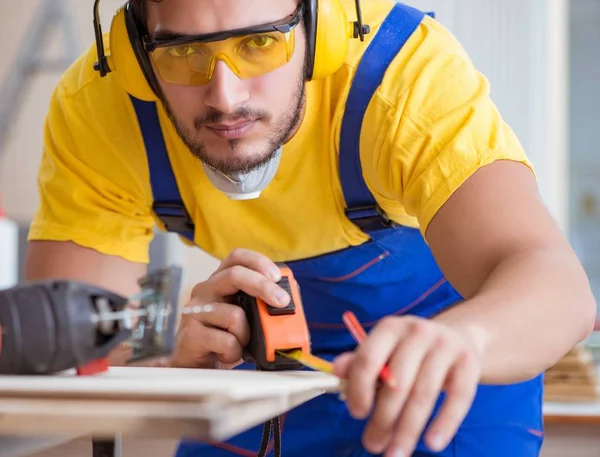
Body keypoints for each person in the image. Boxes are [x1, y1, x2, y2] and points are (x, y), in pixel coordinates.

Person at [24, 0, 596, 456]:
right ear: (134, 54)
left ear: (318, 31)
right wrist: (160, 347)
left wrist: (464, 341)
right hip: (262, 364)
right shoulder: (102, 110)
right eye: (182, 52)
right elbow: (60, 342)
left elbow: (557, 288)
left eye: (260, 42)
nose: (225, 97)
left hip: (443, 357)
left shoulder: (405, 80)